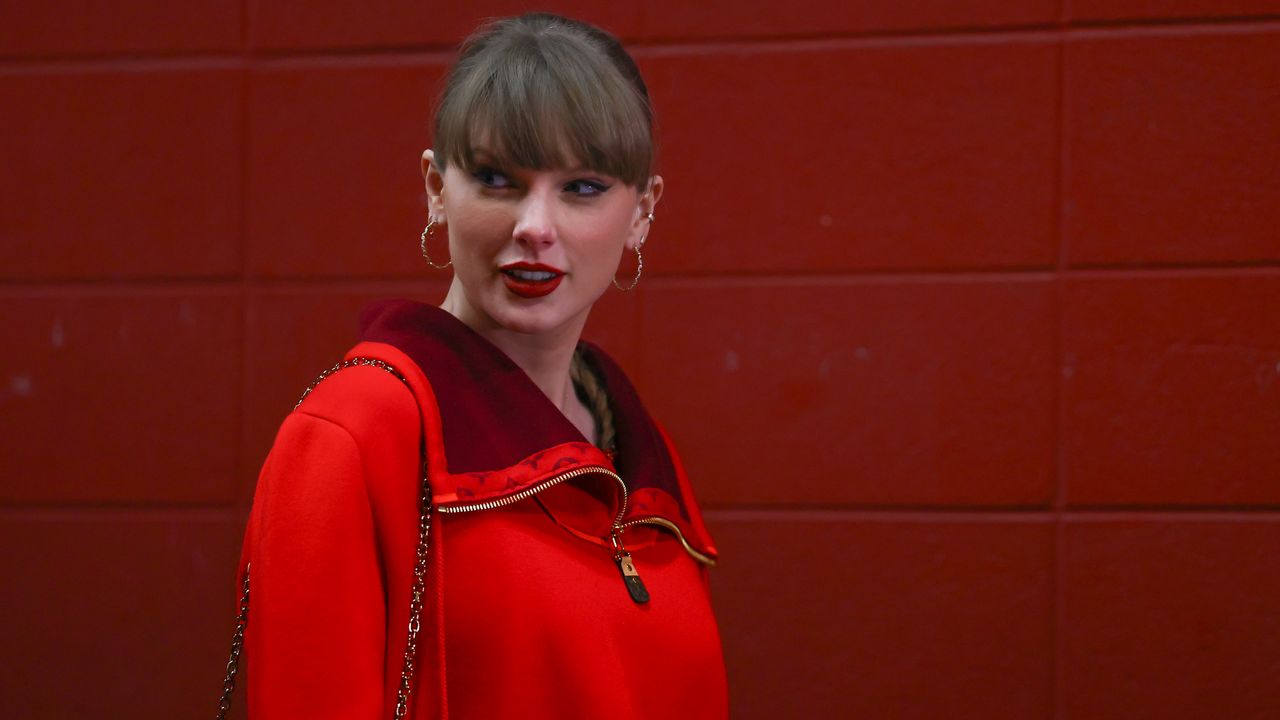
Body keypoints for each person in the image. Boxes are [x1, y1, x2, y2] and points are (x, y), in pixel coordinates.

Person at [221, 12, 728, 720]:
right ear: (436, 188)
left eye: (583, 187)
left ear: (642, 212)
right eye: (496, 179)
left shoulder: (637, 446)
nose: (535, 227)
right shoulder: (353, 433)